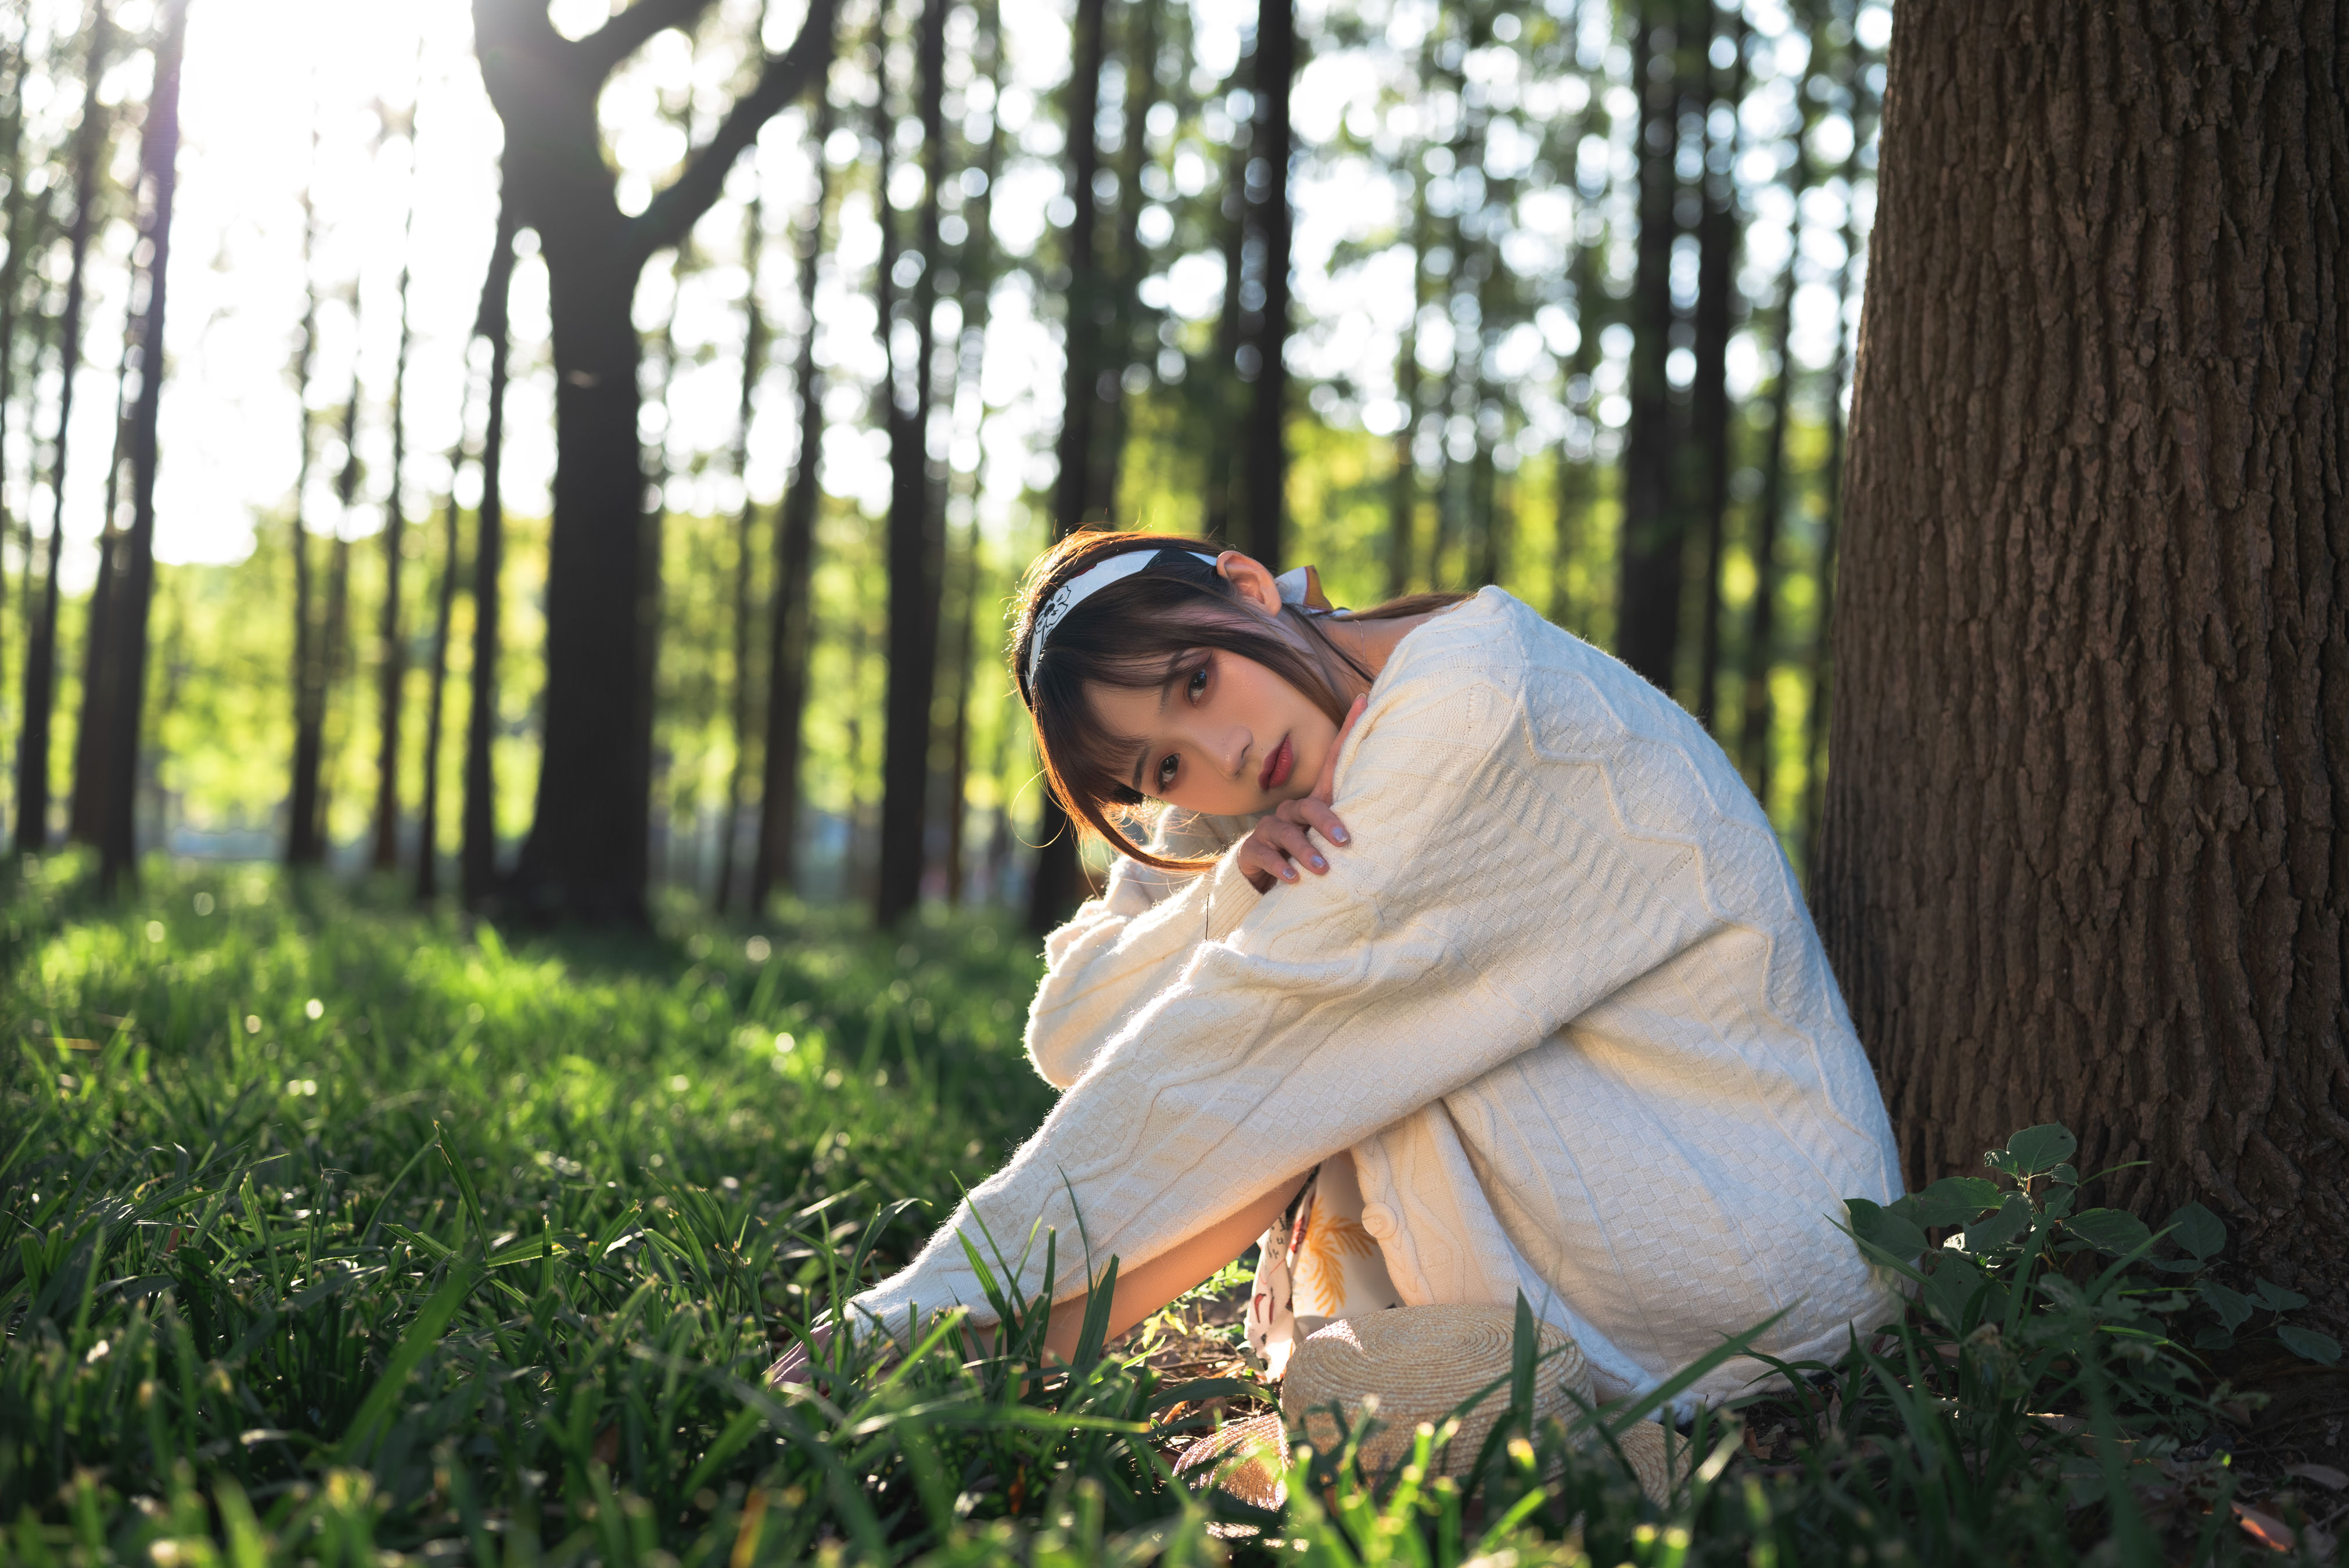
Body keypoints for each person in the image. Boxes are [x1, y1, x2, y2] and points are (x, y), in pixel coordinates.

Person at [777, 530, 1904, 1413]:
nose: (1217, 757)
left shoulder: (1467, 708)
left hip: (1757, 1242)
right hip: (1662, 1192)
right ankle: (999, 1355)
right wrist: (1231, 893)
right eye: (1163, 762)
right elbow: (1075, 1034)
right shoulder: (1265, 784)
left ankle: (982, 1359)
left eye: (1197, 681)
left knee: (1314, 1050)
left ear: (1249, 585)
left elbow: (1235, 1052)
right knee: (1309, 1034)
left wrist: (907, 1314)